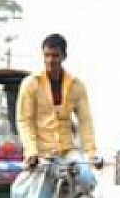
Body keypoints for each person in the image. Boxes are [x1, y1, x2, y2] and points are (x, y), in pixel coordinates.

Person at [16, 34, 101, 171]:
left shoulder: (76, 85)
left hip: (67, 153)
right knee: (27, 191)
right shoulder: (30, 83)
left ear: (64, 56)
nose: (50, 60)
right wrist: (32, 152)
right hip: (41, 155)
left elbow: (85, 121)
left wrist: (91, 153)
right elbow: (24, 121)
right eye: (47, 55)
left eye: (55, 55)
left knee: (86, 179)